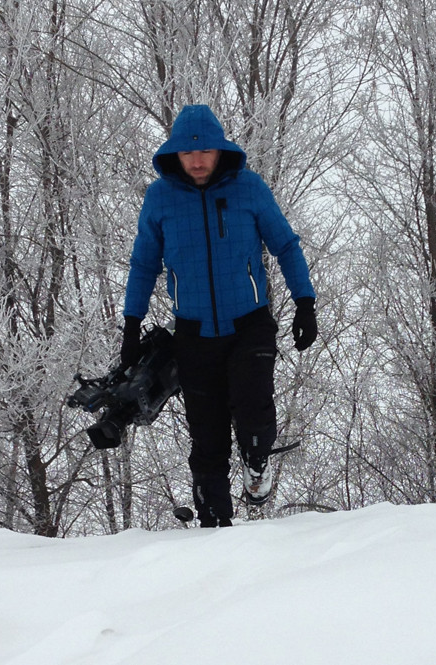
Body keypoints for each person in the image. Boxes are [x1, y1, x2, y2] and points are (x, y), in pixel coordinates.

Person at [119, 104, 317, 528]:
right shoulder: (160, 198)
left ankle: (257, 464)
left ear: (219, 150)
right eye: (188, 154)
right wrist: (131, 325)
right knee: (206, 439)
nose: (197, 161)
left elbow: (286, 244)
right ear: (174, 155)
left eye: (205, 152)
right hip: (193, 335)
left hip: (249, 324)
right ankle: (212, 527)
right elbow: (143, 265)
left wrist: (305, 302)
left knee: (252, 407)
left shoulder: (248, 188)